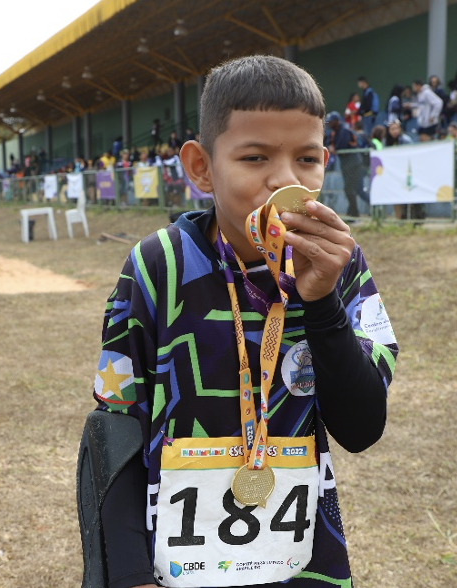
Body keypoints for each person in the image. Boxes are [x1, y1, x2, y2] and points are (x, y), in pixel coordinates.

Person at [88, 55, 396, 588]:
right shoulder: (157, 266)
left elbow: (362, 429)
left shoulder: (339, 264)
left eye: (305, 160)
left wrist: (320, 303)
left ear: (324, 160)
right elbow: (115, 427)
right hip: (170, 566)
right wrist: (130, 573)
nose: (284, 181)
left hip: (301, 564)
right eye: (255, 158)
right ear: (202, 167)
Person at [325, 111, 365, 218]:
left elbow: (340, 145)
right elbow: (328, 142)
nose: (329, 123)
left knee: (353, 189)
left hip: (353, 162)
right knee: (349, 189)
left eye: (331, 121)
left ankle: (355, 213)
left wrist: (334, 147)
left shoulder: (344, 129)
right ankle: (352, 212)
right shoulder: (334, 131)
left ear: (337, 121)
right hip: (345, 163)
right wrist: (331, 146)